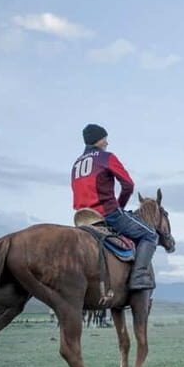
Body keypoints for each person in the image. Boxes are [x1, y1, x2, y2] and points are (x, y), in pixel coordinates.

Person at [71, 123, 158, 290]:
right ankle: (138, 276)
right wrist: (119, 206)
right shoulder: (106, 157)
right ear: (99, 139)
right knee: (150, 235)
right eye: (105, 138)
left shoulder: (76, 164)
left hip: (82, 217)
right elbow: (128, 185)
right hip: (106, 213)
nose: (107, 142)